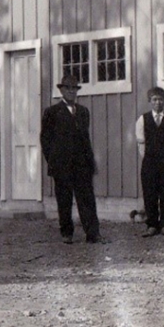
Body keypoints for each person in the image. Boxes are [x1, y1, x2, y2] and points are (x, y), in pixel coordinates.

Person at [40, 75, 104, 244]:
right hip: (62, 165)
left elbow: (85, 139)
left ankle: (92, 233)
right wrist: (53, 160)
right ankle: (67, 233)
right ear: (61, 90)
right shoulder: (52, 112)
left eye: (74, 89)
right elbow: (45, 140)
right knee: (64, 200)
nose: (71, 92)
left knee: (87, 199)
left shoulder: (83, 112)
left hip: (82, 164)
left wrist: (90, 162)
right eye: (68, 88)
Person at [135, 87, 164, 237]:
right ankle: (152, 224)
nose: (158, 102)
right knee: (150, 193)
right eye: (154, 99)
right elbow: (141, 142)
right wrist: (149, 158)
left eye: (160, 99)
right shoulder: (143, 119)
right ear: (150, 101)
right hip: (149, 162)